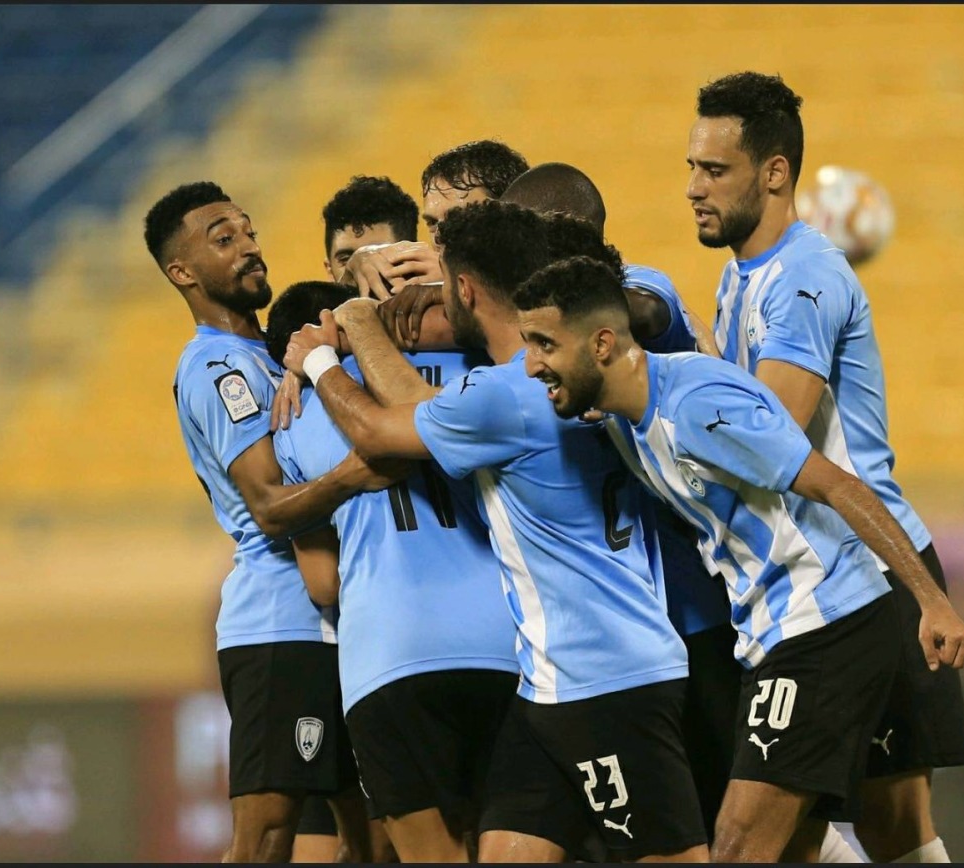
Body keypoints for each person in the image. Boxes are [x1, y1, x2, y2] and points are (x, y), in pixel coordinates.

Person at [511, 254, 964, 864]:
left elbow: (837, 485)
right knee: (798, 847)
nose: (531, 364)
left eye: (545, 344)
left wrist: (931, 600)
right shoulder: (626, 421)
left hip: (824, 622)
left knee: (737, 846)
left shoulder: (699, 406)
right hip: (773, 634)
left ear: (601, 344)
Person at [284, 201, 710, 863]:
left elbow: (381, 428)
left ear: (465, 289)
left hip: (608, 674)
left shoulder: (510, 393)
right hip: (546, 683)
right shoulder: (578, 374)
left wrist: (334, 346)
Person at [687, 70, 964, 864]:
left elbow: (767, 432)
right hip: (821, 574)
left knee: (871, 825)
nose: (694, 188)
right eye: (692, 168)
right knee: (819, 829)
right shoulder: (741, 274)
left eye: (715, 170)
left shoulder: (805, 278)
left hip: (867, 571)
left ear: (775, 173)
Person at [144, 181, 405, 863]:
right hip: (281, 626)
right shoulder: (219, 367)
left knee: (374, 841)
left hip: (341, 622)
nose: (249, 247)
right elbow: (266, 504)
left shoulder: (271, 354)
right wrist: (357, 472)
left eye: (249, 231)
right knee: (263, 842)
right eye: (223, 239)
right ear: (182, 272)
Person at [496, 161, 740, 843]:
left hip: (695, 618)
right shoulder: (534, 334)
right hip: (601, 650)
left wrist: (579, 313)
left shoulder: (637, 293)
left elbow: (650, 311)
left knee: (741, 835)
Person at [265, 278, 518, 863]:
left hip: (389, 656)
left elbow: (323, 584)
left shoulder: (295, 419)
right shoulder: (472, 372)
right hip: (505, 644)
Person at [338, 138, 530, 300]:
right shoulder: (415, 284)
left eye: (457, 218)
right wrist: (352, 275)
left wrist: (453, 283)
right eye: (432, 223)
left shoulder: (541, 298)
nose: (439, 236)